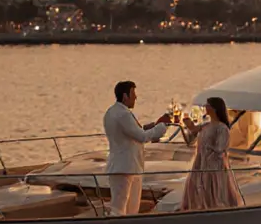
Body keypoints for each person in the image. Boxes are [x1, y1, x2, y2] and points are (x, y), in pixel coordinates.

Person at [103, 80, 171, 216]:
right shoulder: (123, 114)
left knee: (130, 208)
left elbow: (133, 131)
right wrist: (161, 128)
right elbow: (142, 137)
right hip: (125, 167)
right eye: (133, 94)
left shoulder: (112, 111)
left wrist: (154, 124)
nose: (136, 97)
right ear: (125, 96)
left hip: (126, 166)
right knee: (120, 208)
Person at [179, 96, 243, 212]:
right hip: (201, 163)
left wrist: (207, 147)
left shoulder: (222, 128)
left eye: (207, 105)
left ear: (213, 108)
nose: (205, 107)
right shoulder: (205, 125)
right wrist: (186, 125)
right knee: (197, 188)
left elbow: (221, 148)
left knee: (213, 190)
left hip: (213, 166)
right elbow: (190, 139)